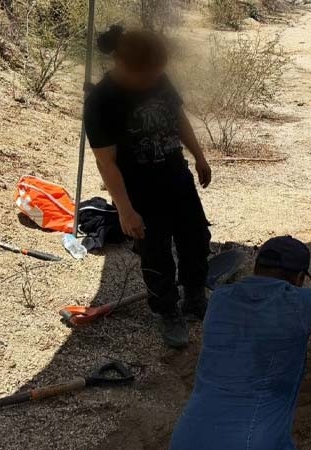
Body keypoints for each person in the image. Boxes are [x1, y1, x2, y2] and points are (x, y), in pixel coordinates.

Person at [169, 206, 311, 450]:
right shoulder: (296, 305)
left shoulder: (220, 300)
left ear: (256, 268)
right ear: (299, 279)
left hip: (186, 437)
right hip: (252, 442)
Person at [83, 26, 213, 348]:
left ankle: (195, 297)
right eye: (149, 75)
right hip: (140, 189)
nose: (155, 79)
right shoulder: (101, 101)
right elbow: (106, 163)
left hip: (176, 175)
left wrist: (199, 156)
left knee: (196, 237)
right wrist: (125, 210)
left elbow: (178, 118)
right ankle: (167, 311)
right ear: (124, 65)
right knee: (155, 253)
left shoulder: (157, 77)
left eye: (158, 73)